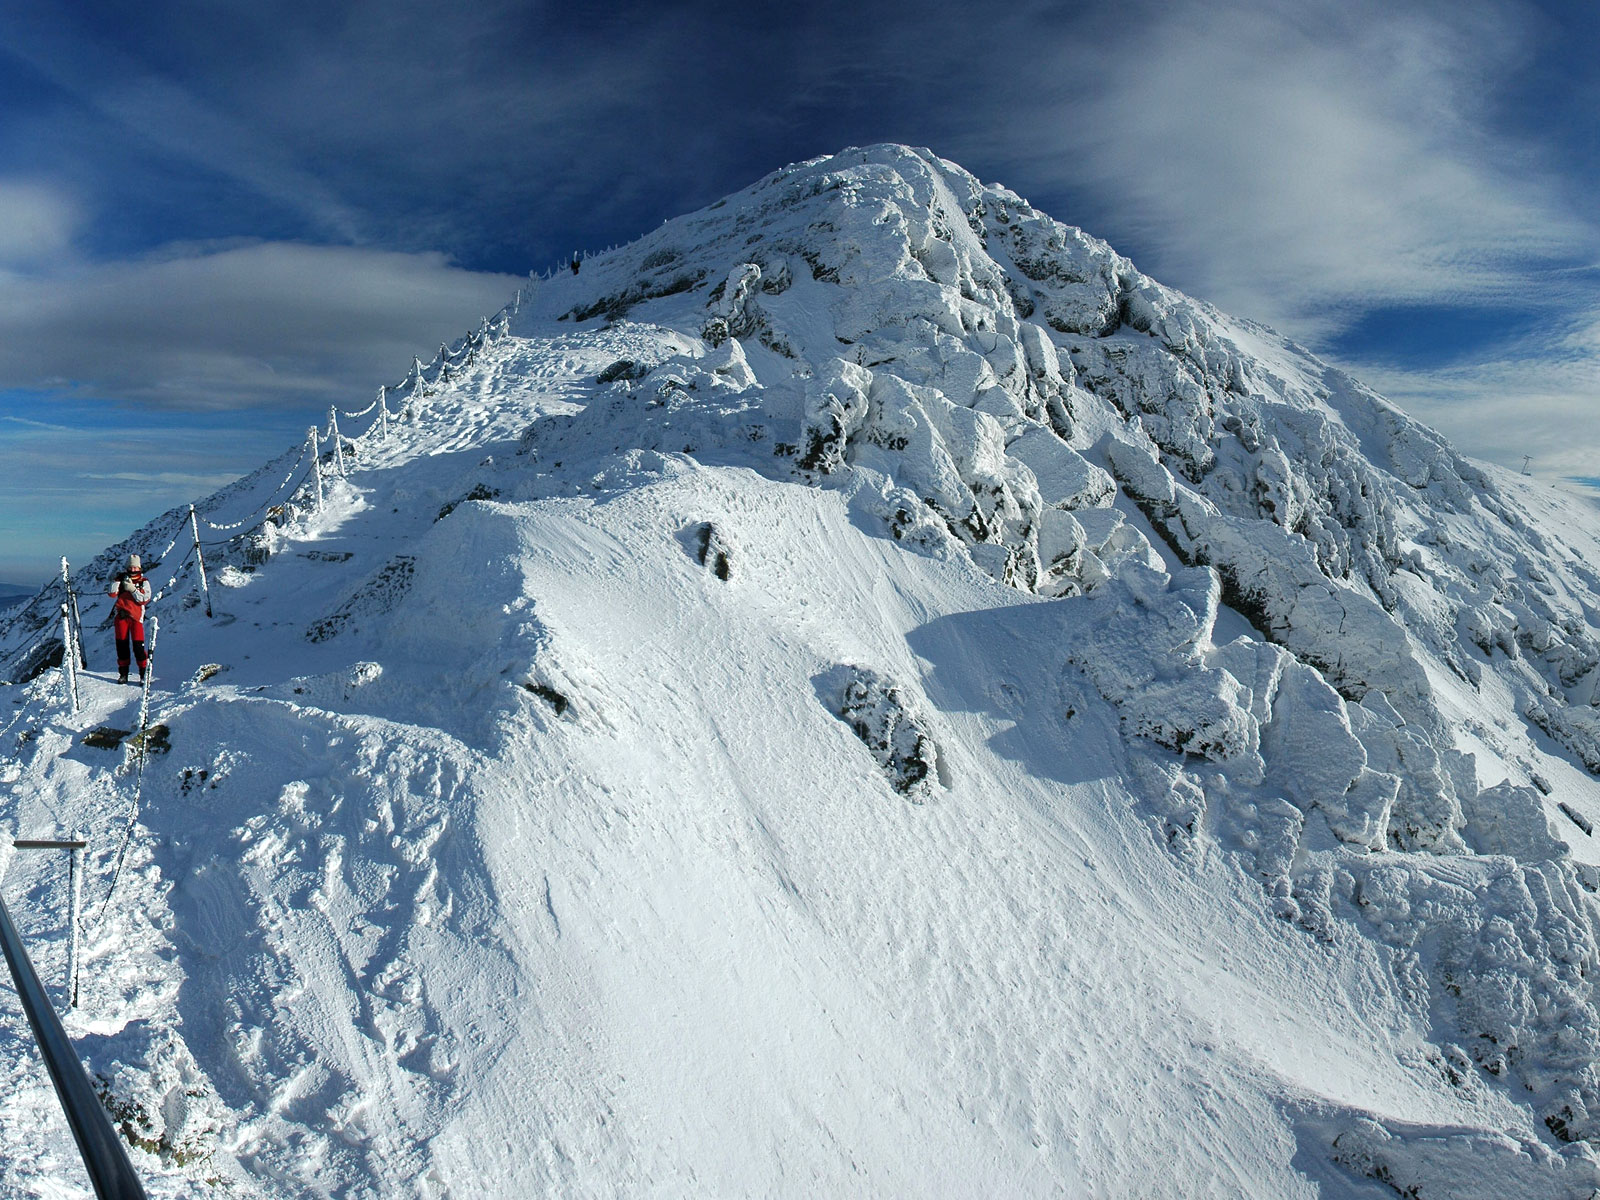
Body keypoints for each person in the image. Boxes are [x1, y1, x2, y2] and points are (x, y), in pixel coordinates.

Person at [108, 554, 152, 685]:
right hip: (121, 617)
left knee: (138, 647)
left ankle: (143, 674)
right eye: (131, 567)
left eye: (135, 567)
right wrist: (116, 581)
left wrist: (132, 589)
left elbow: (144, 599)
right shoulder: (121, 580)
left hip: (136, 618)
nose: (133, 570)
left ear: (139, 567)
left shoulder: (144, 582)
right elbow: (111, 594)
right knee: (122, 647)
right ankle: (123, 674)